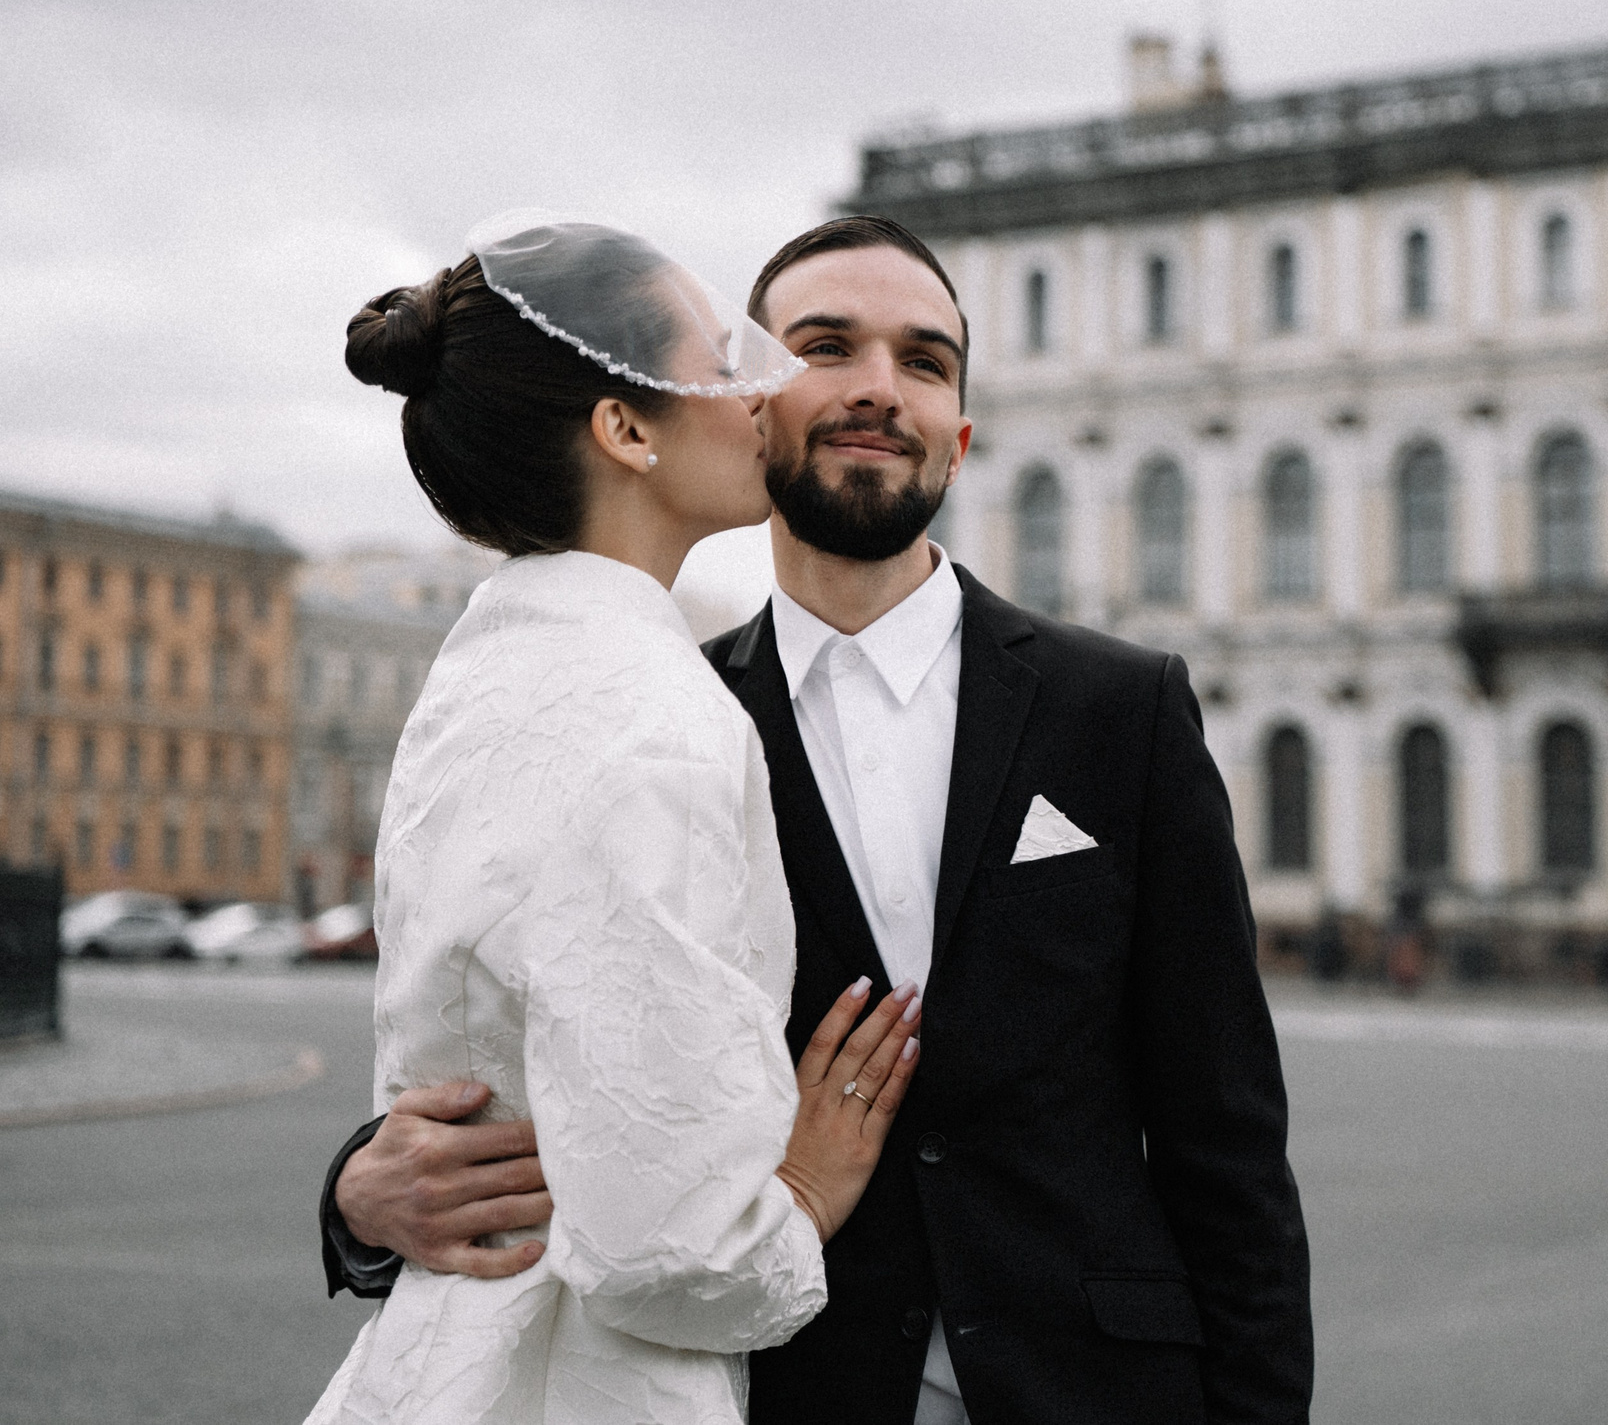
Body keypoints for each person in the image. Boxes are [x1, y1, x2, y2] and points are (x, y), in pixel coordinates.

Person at [320, 215, 1314, 1425]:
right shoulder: (657, 719)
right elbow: (519, 1052)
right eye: (826, 347)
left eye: (926, 361)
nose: (880, 388)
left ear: (960, 435)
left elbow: (1227, 1140)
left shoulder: (1124, 709)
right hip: (784, 1393)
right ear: (752, 400)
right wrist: (359, 1196)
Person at [305, 214, 923, 1425]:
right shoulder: (658, 720)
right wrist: (799, 1196)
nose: (764, 391)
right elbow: (665, 1248)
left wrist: (362, 1190)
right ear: (626, 429)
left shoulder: (474, 680)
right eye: (723, 361)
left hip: (441, 1351)